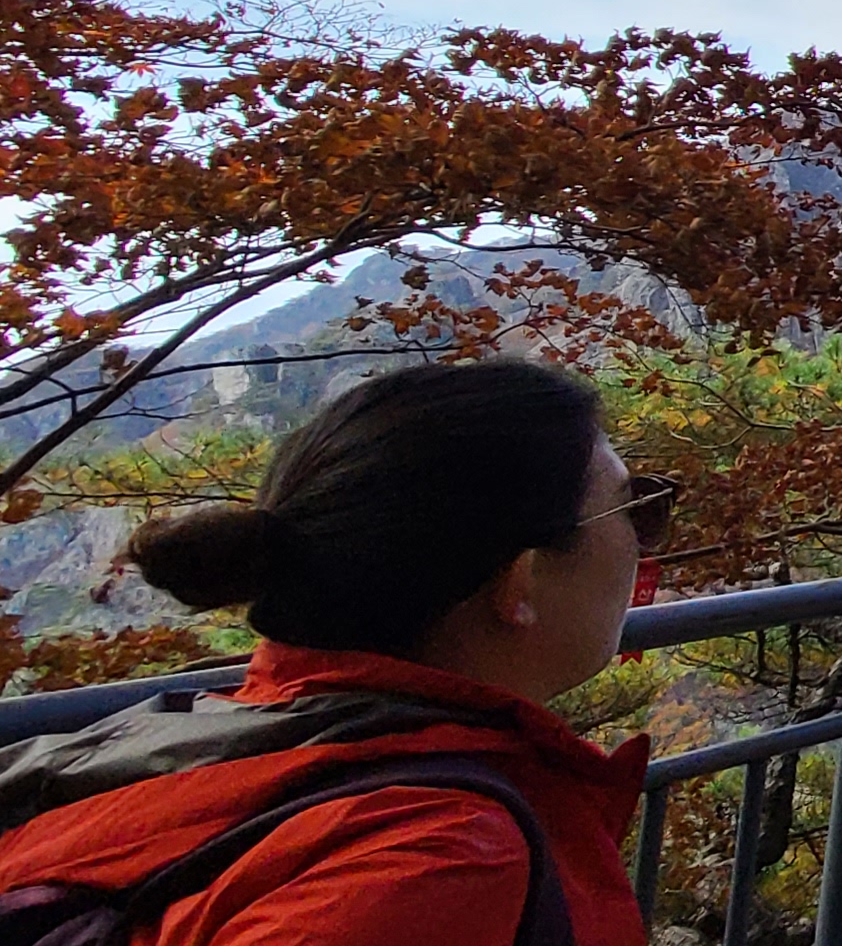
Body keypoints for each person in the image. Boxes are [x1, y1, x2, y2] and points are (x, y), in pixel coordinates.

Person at [0, 359, 671, 946]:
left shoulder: (190, 736)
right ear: (519, 582)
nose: (646, 540)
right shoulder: (435, 859)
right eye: (635, 509)